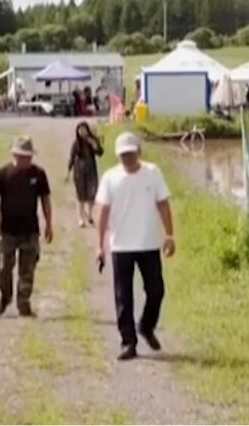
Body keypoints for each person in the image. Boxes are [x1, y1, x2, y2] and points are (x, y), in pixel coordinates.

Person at [96, 132, 176, 361]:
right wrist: (99, 246)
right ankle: (128, 342)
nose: (127, 159)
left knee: (156, 290)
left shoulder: (153, 173)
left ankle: (146, 325)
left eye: (131, 154)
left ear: (139, 152)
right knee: (123, 296)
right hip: (121, 245)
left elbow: (163, 203)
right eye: (123, 155)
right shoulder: (111, 177)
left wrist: (169, 235)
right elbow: (102, 212)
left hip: (149, 243)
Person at [0, 135, 53, 318]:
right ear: (14, 155)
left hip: (29, 230)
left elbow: (45, 199)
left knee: (28, 269)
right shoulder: (3, 174)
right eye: (21, 156)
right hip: (7, 229)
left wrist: (49, 223)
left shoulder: (38, 174)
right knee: (3, 267)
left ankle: (23, 302)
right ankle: (5, 296)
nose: (25, 160)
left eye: (28, 156)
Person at [68, 122, 104, 228]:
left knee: (92, 193)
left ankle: (90, 215)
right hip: (79, 171)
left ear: (88, 130)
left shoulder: (92, 141)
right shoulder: (76, 143)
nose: (82, 132)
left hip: (91, 170)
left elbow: (100, 153)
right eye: (80, 130)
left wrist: (94, 145)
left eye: (84, 129)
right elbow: (72, 157)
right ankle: (80, 218)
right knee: (80, 195)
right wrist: (68, 170)